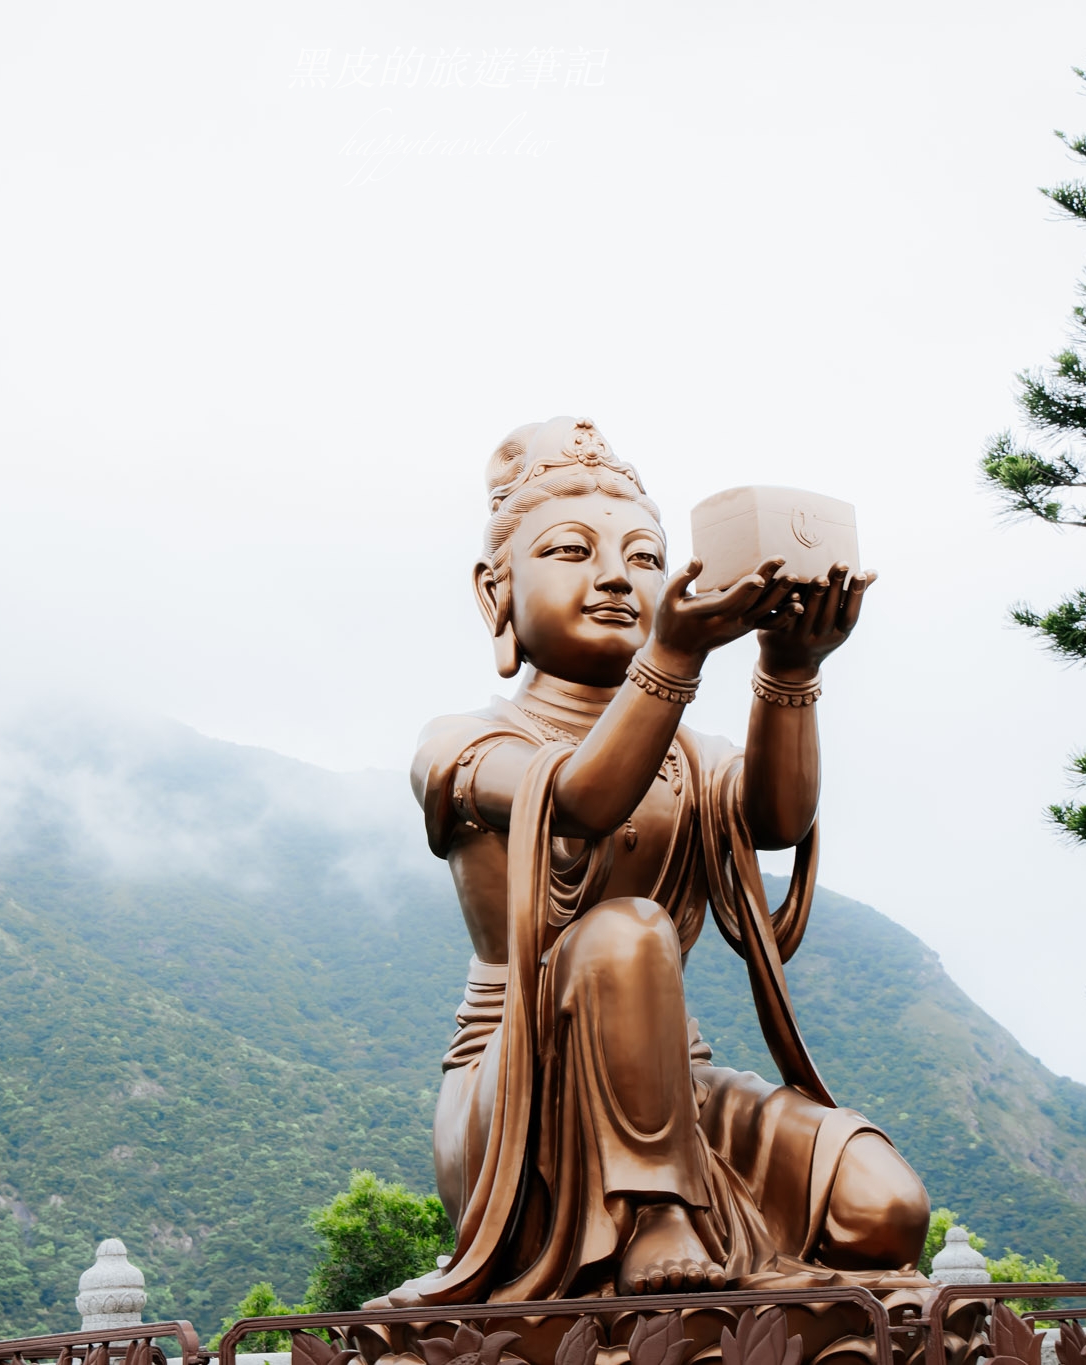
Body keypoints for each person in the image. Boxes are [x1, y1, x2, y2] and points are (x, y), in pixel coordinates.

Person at [388, 416, 930, 1306]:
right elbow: (582, 799)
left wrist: (789, 672)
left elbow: (777, 819)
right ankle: (651, 1209)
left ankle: (736, 1244)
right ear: (496, 592)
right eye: (570, 551)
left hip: (682, 1080)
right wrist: (674, 659)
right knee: (625, 929)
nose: (614, 576)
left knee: (886, 1210)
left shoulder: (692, 753)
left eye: (644, 557)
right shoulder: (467, 742)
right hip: (522, 1092)